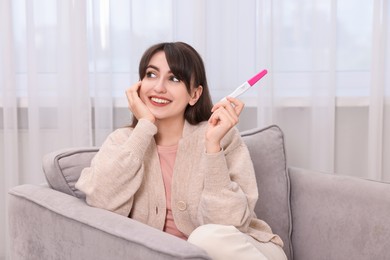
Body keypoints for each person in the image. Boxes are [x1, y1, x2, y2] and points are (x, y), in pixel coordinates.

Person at [75, 41, 287, 260]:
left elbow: (229, 224)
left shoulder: (222, 137)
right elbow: (101, 201)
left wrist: (213, 148)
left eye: (174, 78)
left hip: (245, 249)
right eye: (151, 75)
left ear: (194, 94)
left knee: (205, 239)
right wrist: (144, 125)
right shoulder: (123, 141)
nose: (158, 87)